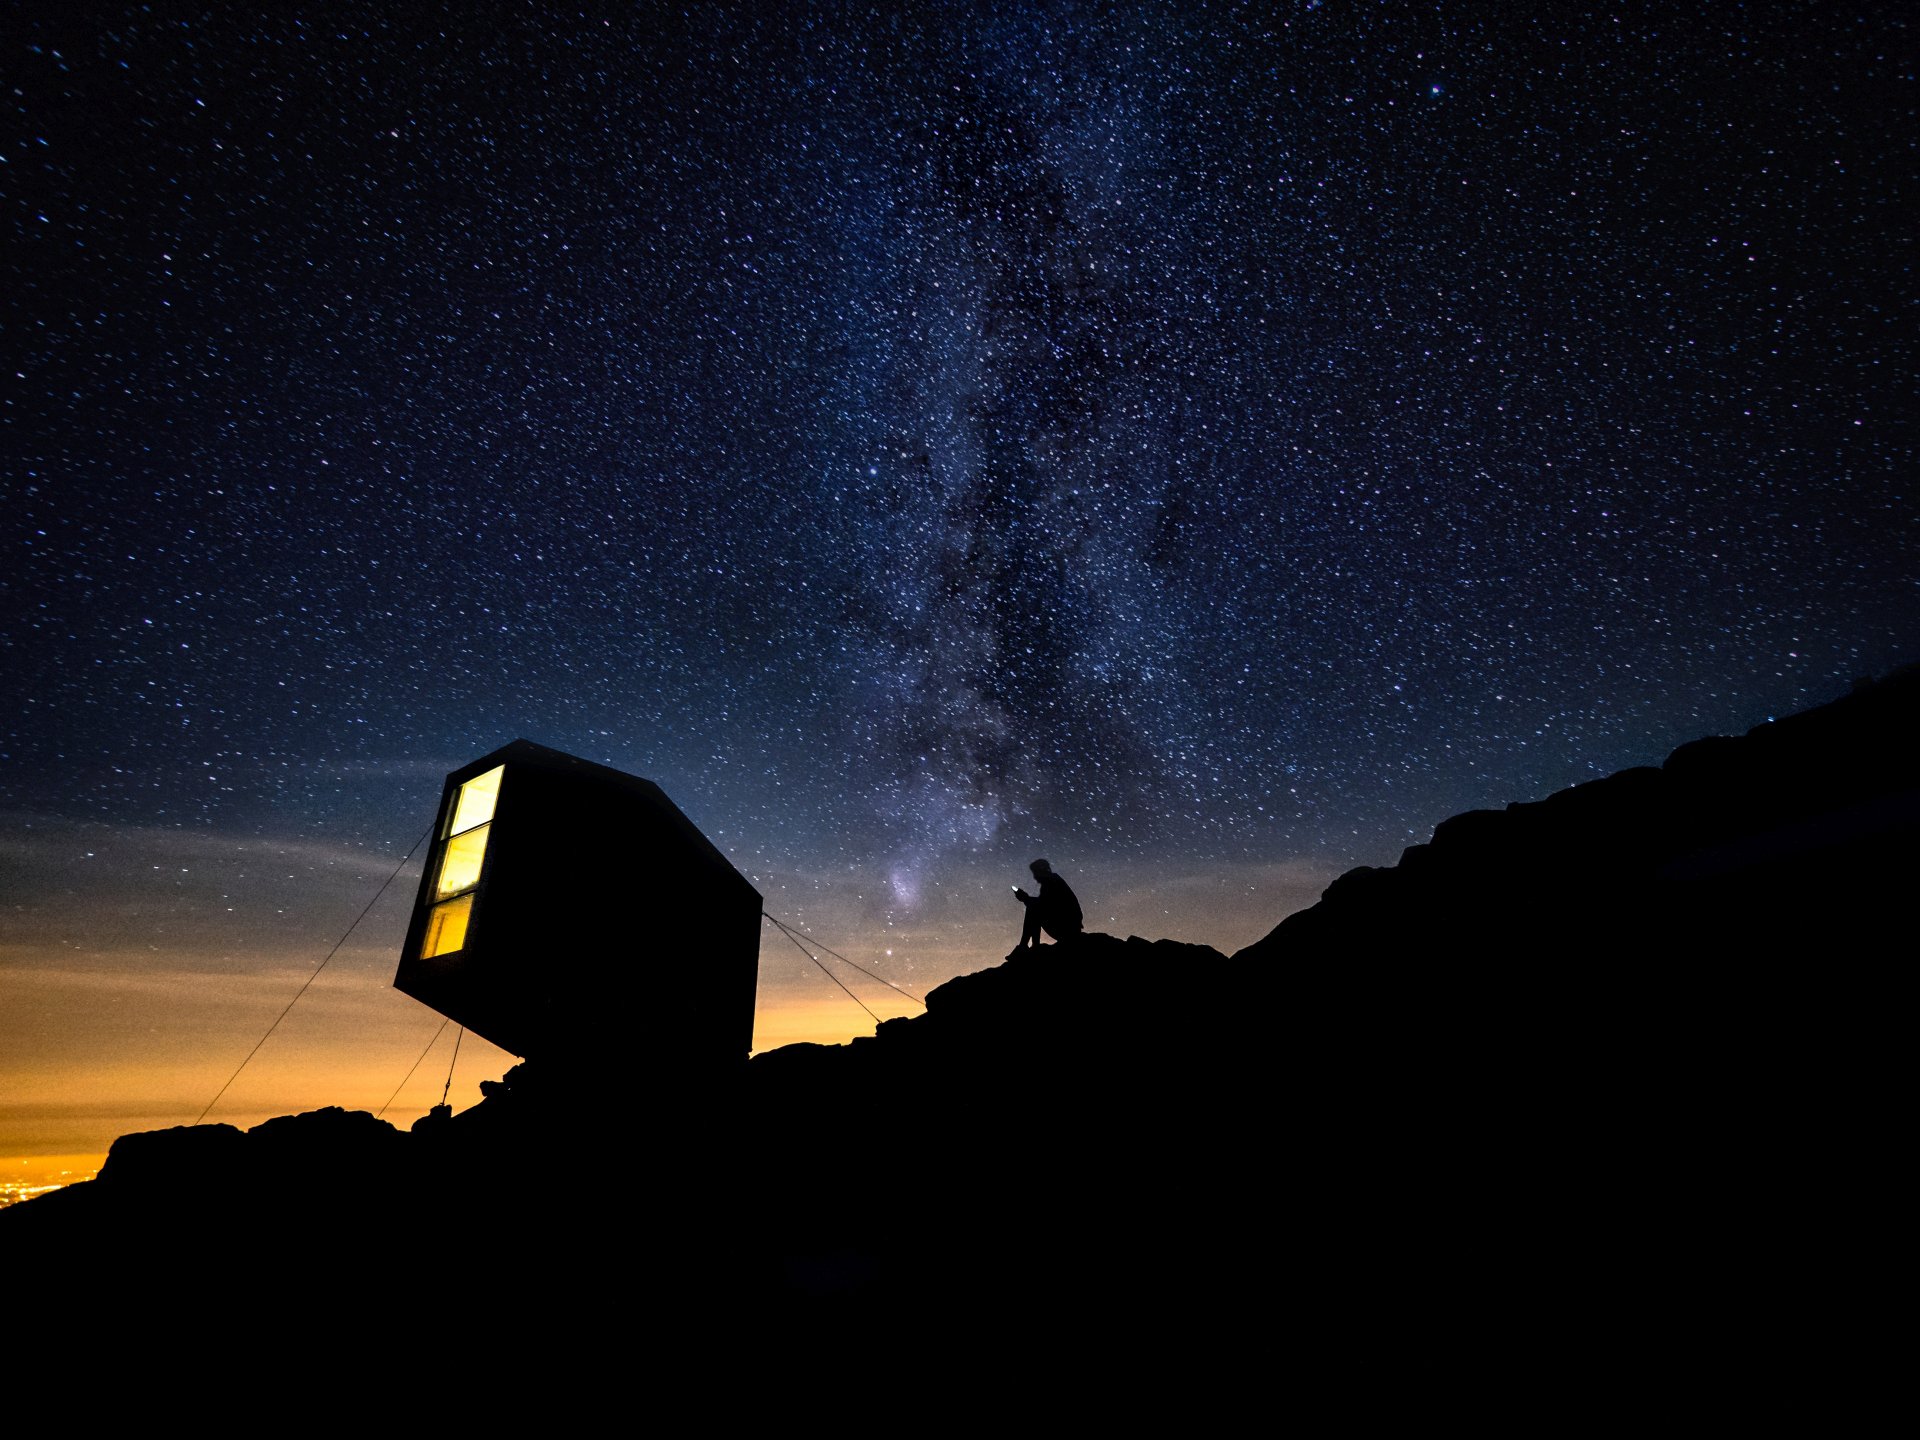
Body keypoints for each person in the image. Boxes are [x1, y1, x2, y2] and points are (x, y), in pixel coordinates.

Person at [1008, 858, 1083, 959]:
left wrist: (1025, 898)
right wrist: (1027, 899)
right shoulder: (1053, 881)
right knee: (1033, 908)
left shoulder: (1051, 882)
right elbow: (1044, 905)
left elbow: (1043, 906)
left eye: (1035, 873)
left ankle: (1027, 946)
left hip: (1066, 929)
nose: (1034, 877)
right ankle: (1029, 946)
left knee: (1032, 909)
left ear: (1041, 871)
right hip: (1069, 926)